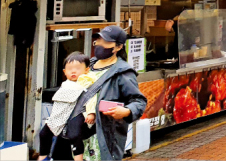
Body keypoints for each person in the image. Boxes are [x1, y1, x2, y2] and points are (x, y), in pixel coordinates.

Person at [53, 26, 146, 161]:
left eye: (106, 42)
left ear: (118, 47)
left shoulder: (123, 72)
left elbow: (139, 101)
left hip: (100, 138)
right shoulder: (86, 65)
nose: (100, 44)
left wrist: (126, 111)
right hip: (72, 133)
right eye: (99, 40)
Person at [39, 53, 95, 161]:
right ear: (64, 71)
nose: (73, 71)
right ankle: (42, 157)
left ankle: (78, 159)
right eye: (70, 69)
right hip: (59, 116)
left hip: (77, 113)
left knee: (74, 136)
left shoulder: (87, 83)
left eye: (78, 68)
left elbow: (92, 100)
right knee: (44, 133)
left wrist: (91, 113)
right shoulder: (65, 85)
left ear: (87, 70)